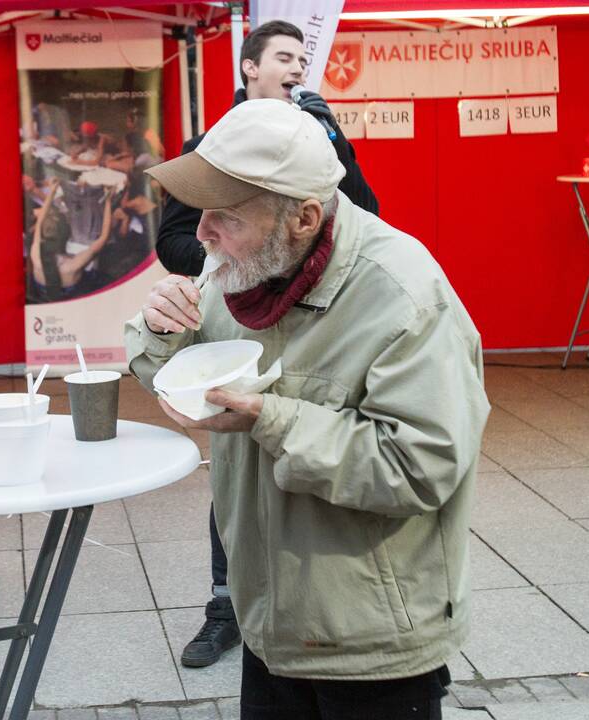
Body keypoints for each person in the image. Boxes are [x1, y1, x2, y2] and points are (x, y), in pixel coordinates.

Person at [128, 98, 489, 719]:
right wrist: (161, 330)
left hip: (370, 639)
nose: (202, 233)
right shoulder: (240, 270)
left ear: (304, 217)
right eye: (201, 211)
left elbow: (419, 465)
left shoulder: (404, 295)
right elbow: (176, 372)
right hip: (267, 619)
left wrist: (272, 419)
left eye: (226, 217)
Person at [156, 19, 380, 670]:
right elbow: (172, 240)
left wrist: (335, 138)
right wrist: (233, 258)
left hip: (318, 330)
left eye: (302, 59)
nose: (297, 68)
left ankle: (309, 606)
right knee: (235, 470)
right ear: (249, 68)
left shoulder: (320, 141)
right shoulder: (208, 147)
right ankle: (225, 611)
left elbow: (370, 218)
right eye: (285, 57)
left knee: (308, 460)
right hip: (240, 325)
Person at [29, 179, 113, 301]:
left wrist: (52, 192)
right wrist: (108, 200)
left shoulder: (36, 255)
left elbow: (39, 224)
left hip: (44, 295)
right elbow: (104, 237)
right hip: (74, 296)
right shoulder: (72, 266)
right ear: (66, 240)